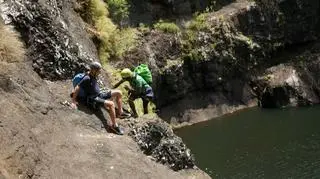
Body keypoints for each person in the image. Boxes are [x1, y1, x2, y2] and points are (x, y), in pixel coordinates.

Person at [70, 62, 130, 134]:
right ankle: (114, 126)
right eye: (98, 70)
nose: (100, 72)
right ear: (94, 70)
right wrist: (73, 101)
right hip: (92, 99)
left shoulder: (93, 75)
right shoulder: (87, 78)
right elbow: (77, 87)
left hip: (99, 94)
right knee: (111, 104)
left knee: (119, 92)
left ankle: (120, 113)